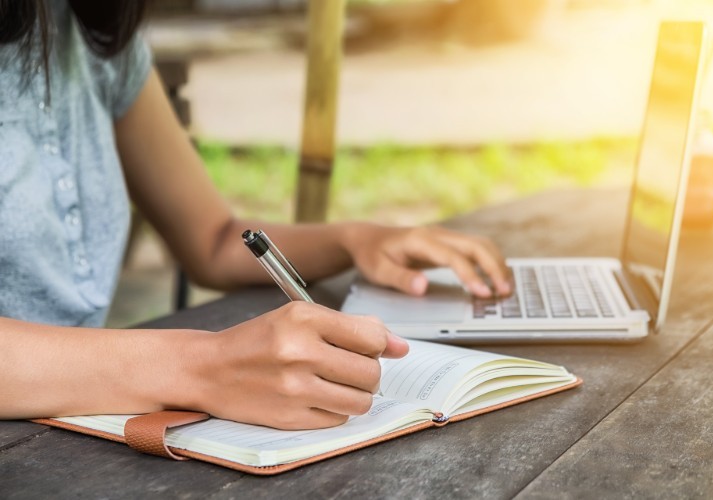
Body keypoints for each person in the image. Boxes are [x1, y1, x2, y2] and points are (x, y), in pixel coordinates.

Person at [0, 0, 511, 430]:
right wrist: (202, 365)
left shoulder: (91, 33)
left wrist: (357, 240)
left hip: (80, 434)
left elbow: (213, 240)